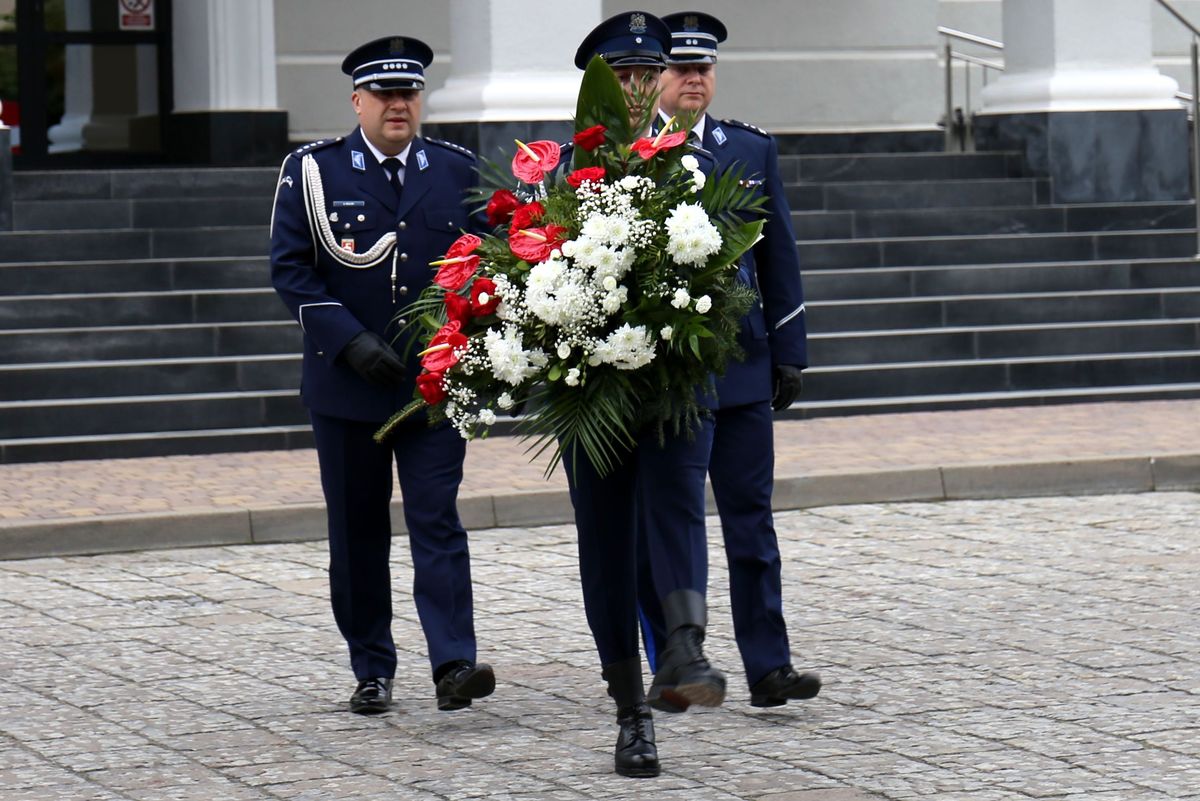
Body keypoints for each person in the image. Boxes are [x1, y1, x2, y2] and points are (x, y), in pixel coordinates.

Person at [269, 35, 494, 716]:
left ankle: (453, 661)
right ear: (357, 100)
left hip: (432, 386)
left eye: (409, 93)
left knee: (437, 519)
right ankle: (371, 666)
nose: (399, 104)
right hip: (348, 388)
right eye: (386, 94)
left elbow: (490, 263)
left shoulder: (456, 170)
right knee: (358, 530)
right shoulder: (314, 170)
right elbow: (290, 266)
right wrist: (348, 341)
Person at [636, 11, 821, 709]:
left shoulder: (750, 149)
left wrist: (790, 349)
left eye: (703, 68)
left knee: (752, 518)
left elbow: (781, 256)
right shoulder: (630, 154)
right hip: (671, 373)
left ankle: (768, 665)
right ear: (658, 78)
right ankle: (682, 655)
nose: (693, 79)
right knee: (677, 513)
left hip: (743, 364)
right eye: (681, 69)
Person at [562, 11, 728, 780]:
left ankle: (685, 644)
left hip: (674, 381)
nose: (633, 89)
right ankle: (631, 713)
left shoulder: (691, 165)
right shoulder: (557, 174)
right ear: (597, 84)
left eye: (644, 74)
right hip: (590, 392)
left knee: (676, 499)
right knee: (605, 547)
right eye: (620, 76)